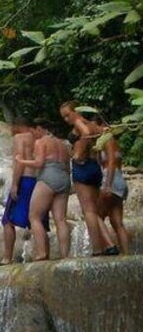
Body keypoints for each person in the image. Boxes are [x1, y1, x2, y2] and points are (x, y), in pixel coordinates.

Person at [60, 101, 113, 256]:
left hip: (82, 167)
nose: (66, 119)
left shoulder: (79, 122)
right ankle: (109, 244)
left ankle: (97, 249)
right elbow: (100, 134)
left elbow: (86, 134)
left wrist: (77, 154)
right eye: (63, 117)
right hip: (94, 167)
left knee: (88, 211)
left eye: (67, 115)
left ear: (76, 111)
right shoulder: (94, 124)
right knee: (94, 211)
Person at [16, 120, 71, 260]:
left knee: (34, 216)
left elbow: (39, 163)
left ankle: (42, 253)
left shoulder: (41, 142)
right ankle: (65, 255)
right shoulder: (64, 144)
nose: (33, 135)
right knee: (61, 219)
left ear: (39, 128)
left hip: (48, 176)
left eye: (33, 131)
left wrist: (21, 161)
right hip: (64, 178)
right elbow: (68, 167)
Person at [0, 118, 48, 265]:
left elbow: (19, 161)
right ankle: (45, 253)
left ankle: (7, 258)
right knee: (38, 220)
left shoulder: (20, 137)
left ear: (18, 126)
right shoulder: (41, 140)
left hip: (25, 180)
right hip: (39, 181)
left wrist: (15, 183)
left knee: (7, 220)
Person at [94, 116, 128, 255]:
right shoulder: (110, 141)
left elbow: (112, 162)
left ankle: (110, 246)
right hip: (120, 181)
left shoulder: (108, 139)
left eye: (94, 126)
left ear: (100, 124)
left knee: (95, 215)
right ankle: (126, 255)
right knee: (117, 222)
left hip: (112, 180)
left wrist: (107, 185)